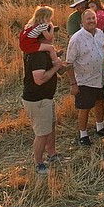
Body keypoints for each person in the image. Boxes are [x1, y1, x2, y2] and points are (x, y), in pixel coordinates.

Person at [22, 25, 67, 175]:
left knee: (50, 125)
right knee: (42, 133)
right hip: (38, 99)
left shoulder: (39, 51)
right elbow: (39, 79)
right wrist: (57, 67)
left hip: (45, 98)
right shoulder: (38, 56)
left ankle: (52, 154)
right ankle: (38, 163)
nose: (53, 34)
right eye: (50, 31)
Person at [64, 9, 104, 147]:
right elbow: (69, 63)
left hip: (101, 78)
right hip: (85, 80)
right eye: (88, 19)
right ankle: (83, 134)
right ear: (82, 21)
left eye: (93, 18)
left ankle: (100, 127)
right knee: (85, 108)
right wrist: (73, 83)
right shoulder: (76, 39)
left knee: (100, 102)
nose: (91, 21)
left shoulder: (100, 33)